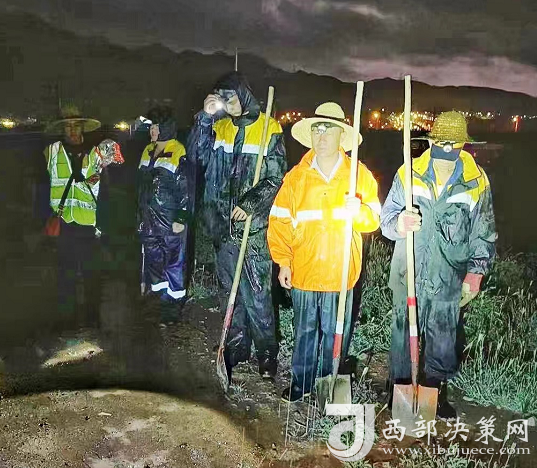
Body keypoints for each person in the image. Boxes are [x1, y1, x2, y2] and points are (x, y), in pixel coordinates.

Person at [380, 111, 496, 419]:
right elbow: (385, 220)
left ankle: (435, 391)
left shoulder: (476, 181)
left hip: (449, 275)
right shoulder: (409, 173)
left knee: (443, 336)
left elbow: (483, 231)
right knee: (403, 333)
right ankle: (399, 388)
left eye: (453, 143)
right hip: (408, 271)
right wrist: (399, 224)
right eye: (441, 142)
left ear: (463, 145)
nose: (446, 149)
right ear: (431, 142)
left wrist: (475, 274)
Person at [268, 102, 381, 402]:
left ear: (341, 136)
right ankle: (301, 383)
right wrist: (283, 262)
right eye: (317, 129)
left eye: (328, 129)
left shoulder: (359, 175)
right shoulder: (296, 177)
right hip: (304, 270)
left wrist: (359, 211)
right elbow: (279, 221)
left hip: (340, 272)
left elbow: (374, 221)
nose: (321, 136)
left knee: (336, 333)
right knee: (304, 331)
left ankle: (328, 385)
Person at [187, 71, 287, 381]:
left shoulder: (268, 128)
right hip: (221, 226)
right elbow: (195, 157)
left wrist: (250, 203)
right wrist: (204, 119)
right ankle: (237, 346)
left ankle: (267, 353)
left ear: (243, 95)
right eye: (221, 99)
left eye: (230, 98)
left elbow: (276, 177)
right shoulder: (219, 127)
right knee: (229, 290)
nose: (227, 104)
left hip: (253, 229)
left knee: (257, 293)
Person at [43, 104, 124, 330]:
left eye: (76, 125)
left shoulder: (95, 154)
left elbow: (105, 190)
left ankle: (92, 319)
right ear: (62, 129)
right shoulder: (51, 152)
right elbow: (43, 186)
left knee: (92, 275)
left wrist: (105, 224)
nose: (72, 130)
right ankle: (67, 321)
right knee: (65, 276)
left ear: (82, 128)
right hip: (64, 225)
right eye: (67, 126)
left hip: (89, 227)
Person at [137, 106, 190, 324]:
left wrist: (181, 218)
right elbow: (141, 187)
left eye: (156, 127)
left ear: (166, 128)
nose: (152, 131)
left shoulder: (178, 150)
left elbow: (185, 187)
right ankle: (158, 299)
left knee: (174, 262)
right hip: (148, 219)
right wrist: (139, 216)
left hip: (169, 219)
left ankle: (174, 304)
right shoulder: (147, 150)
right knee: (154, 260)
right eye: (151, 127)